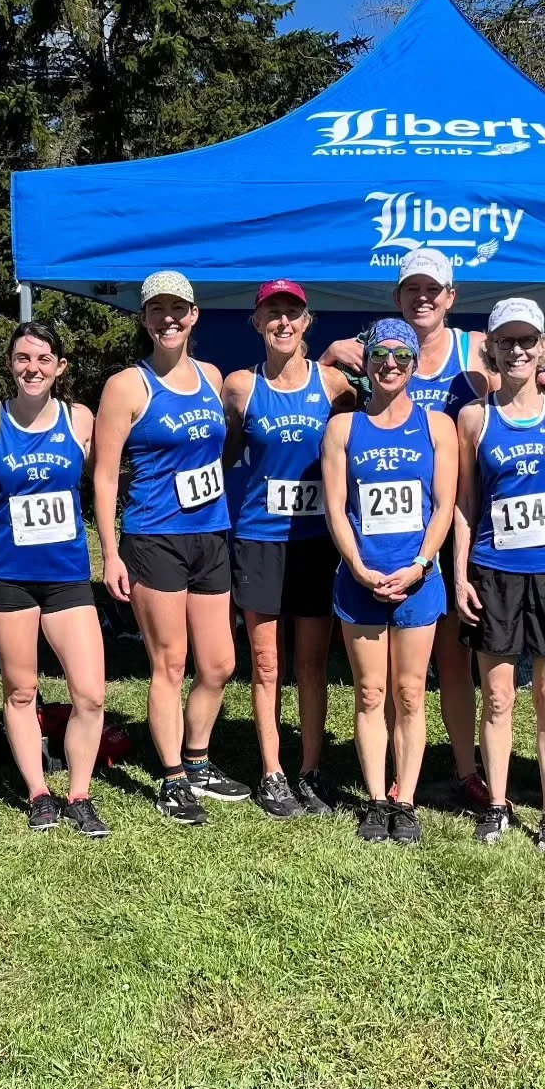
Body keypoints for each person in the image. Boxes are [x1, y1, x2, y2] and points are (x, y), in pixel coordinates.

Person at [324, 250, 545, 811]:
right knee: (384, 678)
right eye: (412, 290)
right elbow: (319, 383)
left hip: (461, 529)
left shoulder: (474, 353)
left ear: (451, 297)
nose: (423, 298)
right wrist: (329, 354)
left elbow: (518, 383)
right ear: (397, 299)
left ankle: (463, 770)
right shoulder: (369, 354)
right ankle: (393, 780)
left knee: (454, 661)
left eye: (433, 290)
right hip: (392, 537)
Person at [93, 271, 247, 826]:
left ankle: (199, 759)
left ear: (194, 315)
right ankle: (173, 778)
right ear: (144, 318)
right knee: (170, 662)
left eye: (177, 309)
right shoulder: (126, 386)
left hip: (211, 534)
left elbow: (225, 449)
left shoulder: (211, 376)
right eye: (157, 310)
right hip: (154, 535)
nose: (169, 319)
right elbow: (106, 476)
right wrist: (110, 552)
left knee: (220, 663)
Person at [0, 322, 109, 836]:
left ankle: (78, 792)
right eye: (22, 358)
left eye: (42, 359)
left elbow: (113, 474)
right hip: (8, 574)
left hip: (68, 576)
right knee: (21, 689)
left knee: (91, 693)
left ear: (59, 367)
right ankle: (39, 793)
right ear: (10, 365)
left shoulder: (81, 420)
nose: (31, 368)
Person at [453, 299, 545, 853]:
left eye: (527, 341)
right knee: (497, 698)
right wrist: (462, 572)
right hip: (495, 571)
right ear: (491, 348)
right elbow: (466, 502)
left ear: (543, 348)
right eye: (507, 341)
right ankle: (497, 804)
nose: (517, 350)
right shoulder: (475, 417)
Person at [321, 318, 458, 845]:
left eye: (402, 356)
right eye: (381, 355)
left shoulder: (437, 426)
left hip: (418, 578)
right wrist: (357, 566)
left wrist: (422, 563)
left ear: (415, 363)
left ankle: (406, 800)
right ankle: (376, 799)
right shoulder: (343, 428)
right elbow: (335, 508)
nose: (390, 365)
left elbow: (444, 504)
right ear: (368, 362)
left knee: (409, 692)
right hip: (361, 577)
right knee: (370, 691)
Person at [223, 280, 352, 817]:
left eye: (291, 314)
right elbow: (226, 451)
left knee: (312, 663)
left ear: (306, 322)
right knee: (267, 662)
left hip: (317, 541)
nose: (282, 322)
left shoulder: (335, 385)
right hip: (260, 539)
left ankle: (311, 769)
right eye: (272, 314)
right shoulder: (239, 387)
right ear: (257, 323)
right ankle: (273, 771)